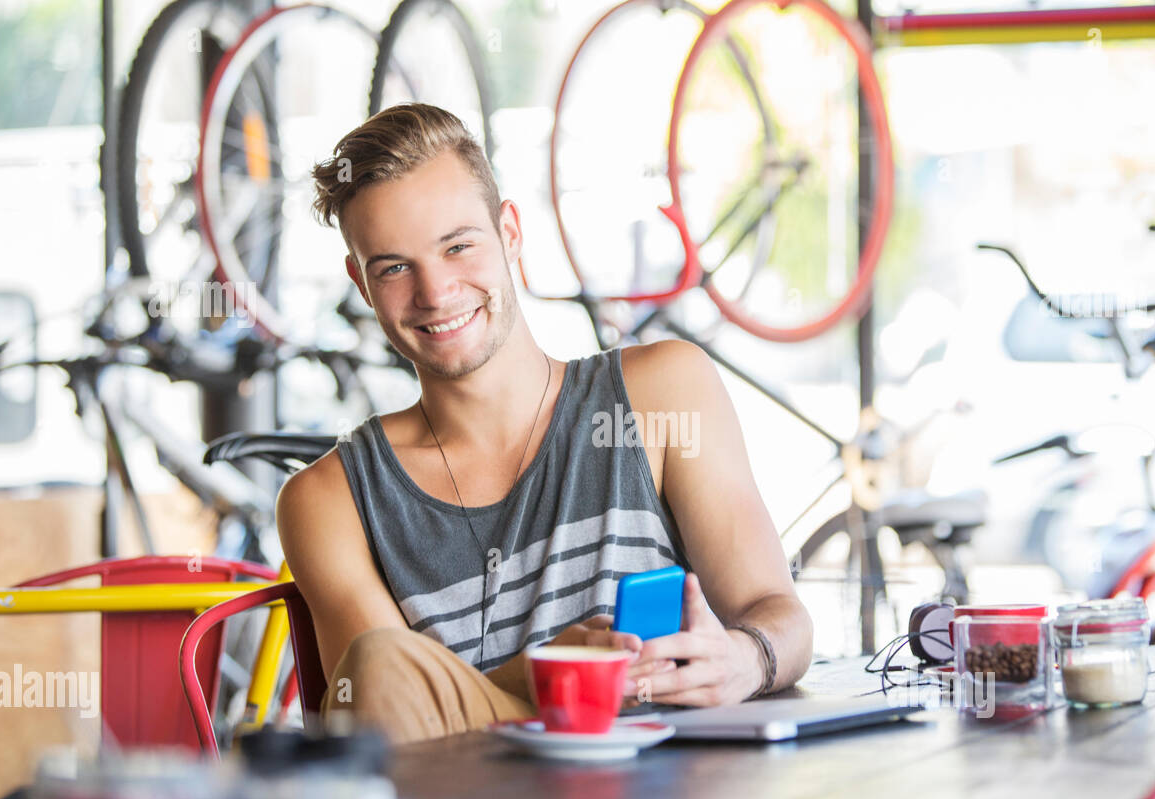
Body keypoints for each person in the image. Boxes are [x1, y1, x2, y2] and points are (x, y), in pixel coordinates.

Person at [276, 102, 812, 744]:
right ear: (361, 285)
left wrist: (744, 660)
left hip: (674, 791)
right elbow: (383, 715)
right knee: (379, 663)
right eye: (394, 267)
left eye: (458, 246)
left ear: (510, 233)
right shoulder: (328, 499)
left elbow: (781, 617)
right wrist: (550, 675)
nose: (436, 292)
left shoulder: (661, 393)